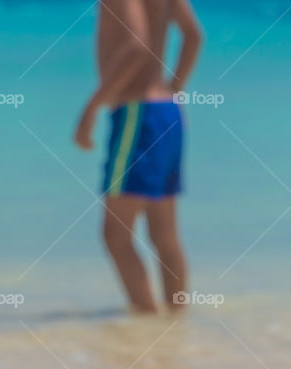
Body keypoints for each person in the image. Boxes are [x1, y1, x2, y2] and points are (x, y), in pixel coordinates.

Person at [74, 0, 202, 313]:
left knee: (116, 235)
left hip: (136, 114)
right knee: (164, 233)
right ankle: (174, 324)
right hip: (167, 111)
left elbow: (137, 46)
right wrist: (175, 86)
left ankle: (146, 321)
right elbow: (193, 35)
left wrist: (93, 107)